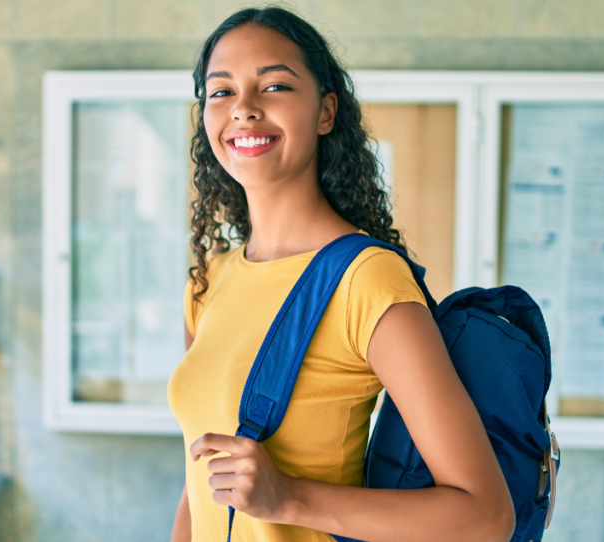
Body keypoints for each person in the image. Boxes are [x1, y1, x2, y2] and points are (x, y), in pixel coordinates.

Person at [167, 7, 515, 542]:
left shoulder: (367, 279)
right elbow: (201, 483)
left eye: (275, 85)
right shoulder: (208, 280)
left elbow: (485, 517)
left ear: (326, 111)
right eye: (220, 92)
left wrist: (287, 496)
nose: (244, 109)